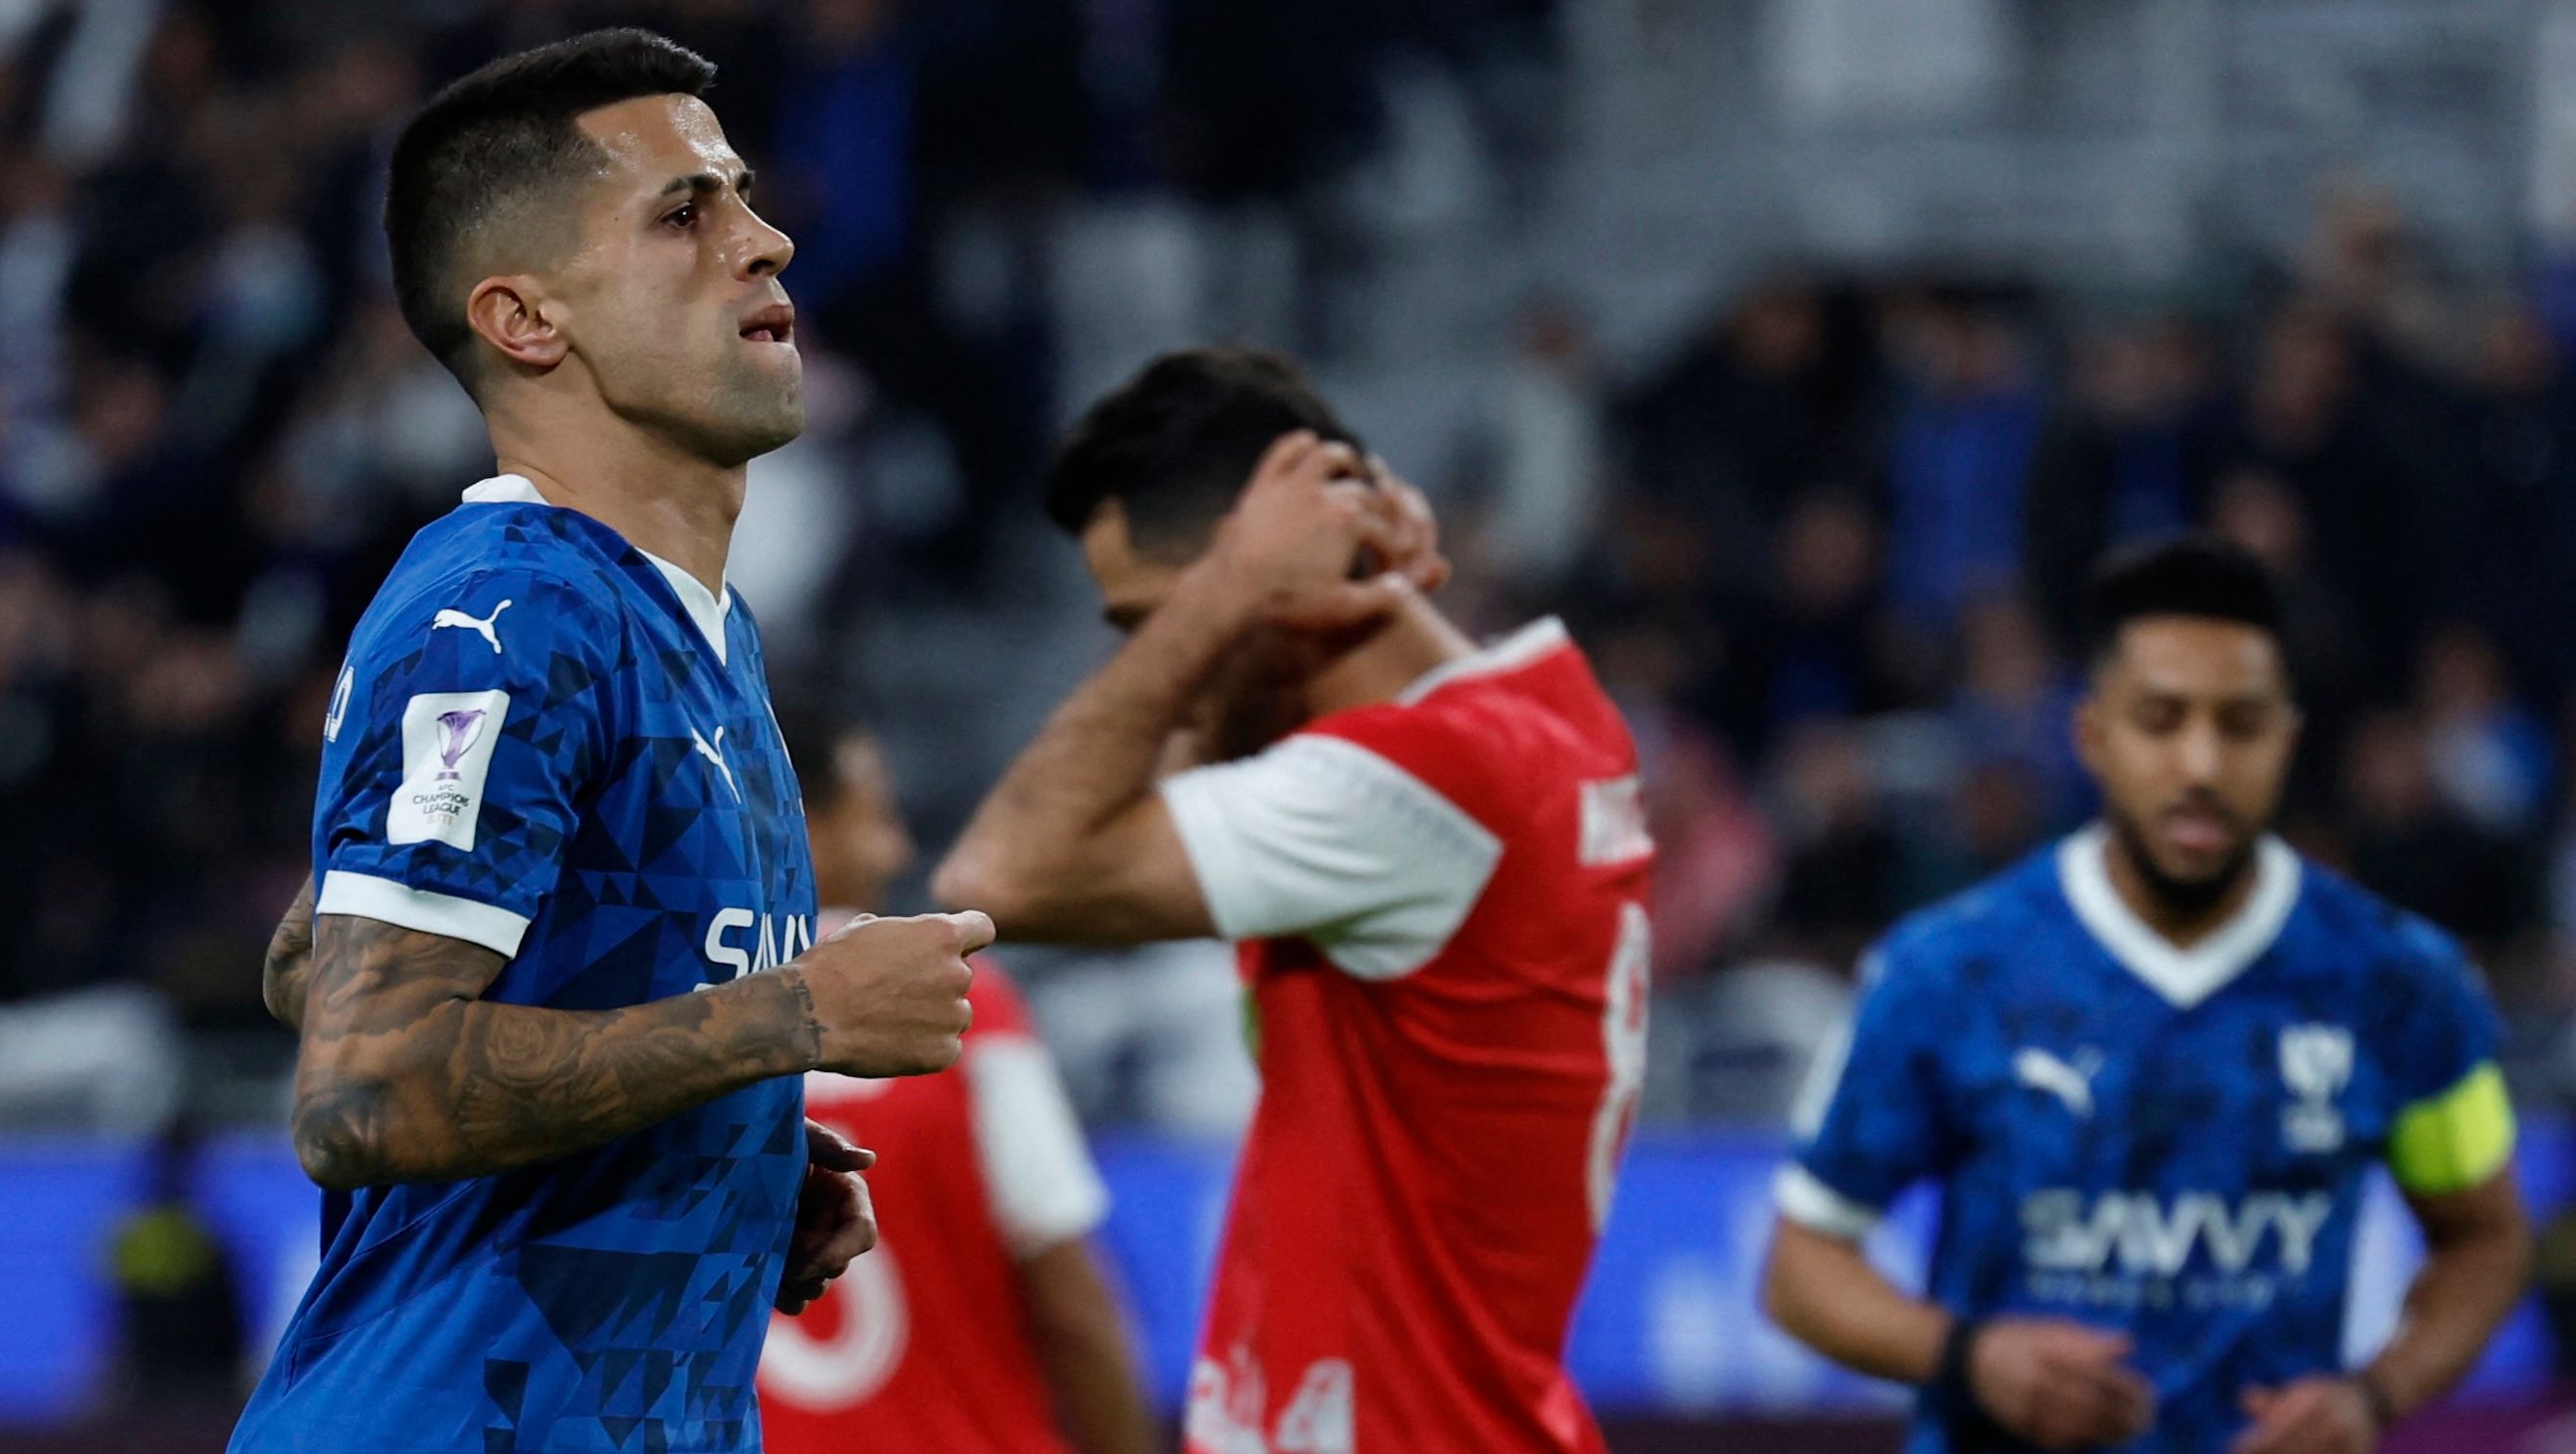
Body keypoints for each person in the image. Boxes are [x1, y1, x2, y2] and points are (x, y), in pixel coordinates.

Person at [232, 31, 989, 1453]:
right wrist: (796, 1018)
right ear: (525, 320)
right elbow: (363, 1081)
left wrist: (716, 1153)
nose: (766, 241)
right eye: (684, 213)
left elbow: (312, 951)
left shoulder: (688, 625)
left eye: (745, 197)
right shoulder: (502, 616)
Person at [935, 347, 1654, 1454]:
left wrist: (1222, 596)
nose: (1162, 666)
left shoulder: (1419, 787)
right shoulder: (1543, 724)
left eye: (1149, 624)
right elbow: (1185, 777)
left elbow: (998, 881)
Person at [1763, 535, 2532, 1454]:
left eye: (2240, 724)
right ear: (2093, 735)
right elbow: (1801, 1262)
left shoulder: (2400, 983)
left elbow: (2486, 1237)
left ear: (2287, 740)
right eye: (2161, 719)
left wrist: (2374, 1396)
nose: (2201, 763)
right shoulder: (1948, 971)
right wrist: (1969, 1355)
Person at [756, 705, 1156, 1454]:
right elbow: (1068, 1302)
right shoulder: (961, 1004)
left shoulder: (669, 1020)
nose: (898, 847)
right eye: (872, 817)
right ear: (797, 822)